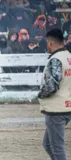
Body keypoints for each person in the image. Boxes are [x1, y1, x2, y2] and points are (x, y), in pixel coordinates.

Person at [38, 28, 71, 160]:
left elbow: (51, 85)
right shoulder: (68, 57)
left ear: (50, 43)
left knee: (57, 149)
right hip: (67, 106)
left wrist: (40, 94)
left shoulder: (56, 59)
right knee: (48, 144)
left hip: (56, 109)